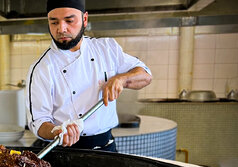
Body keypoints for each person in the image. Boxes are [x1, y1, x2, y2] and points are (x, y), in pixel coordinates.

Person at [26, 0, 152, 152]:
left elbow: (145, 75)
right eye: (54, 22)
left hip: (107, 148)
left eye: (69, 21)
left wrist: (121, 79)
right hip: (67, 153)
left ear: (84, 19)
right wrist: (57, 131)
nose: (61, 29)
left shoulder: (106, 49)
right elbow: (38, 122)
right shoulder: (42, 68)